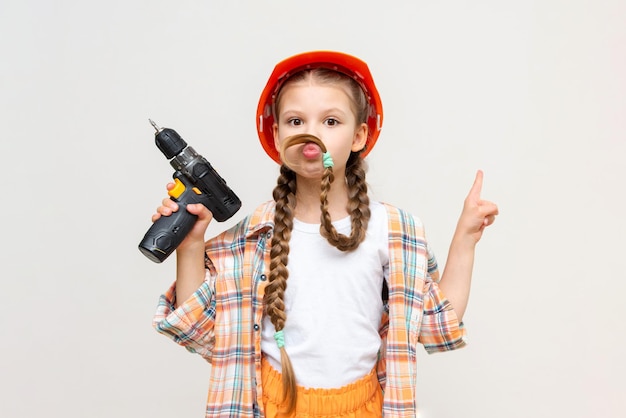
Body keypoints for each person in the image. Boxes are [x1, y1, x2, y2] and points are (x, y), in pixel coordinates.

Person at [151, 50, 498, 418]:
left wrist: (465, 238)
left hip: (362, 407)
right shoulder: (253, 236)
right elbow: (198, 328)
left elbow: (434, 325)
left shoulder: (391, 230)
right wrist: (190, 245)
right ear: (277, 134)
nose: (311, 134)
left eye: (331, 121)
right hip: (272, 405)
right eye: (296, 120)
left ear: (359, 135)